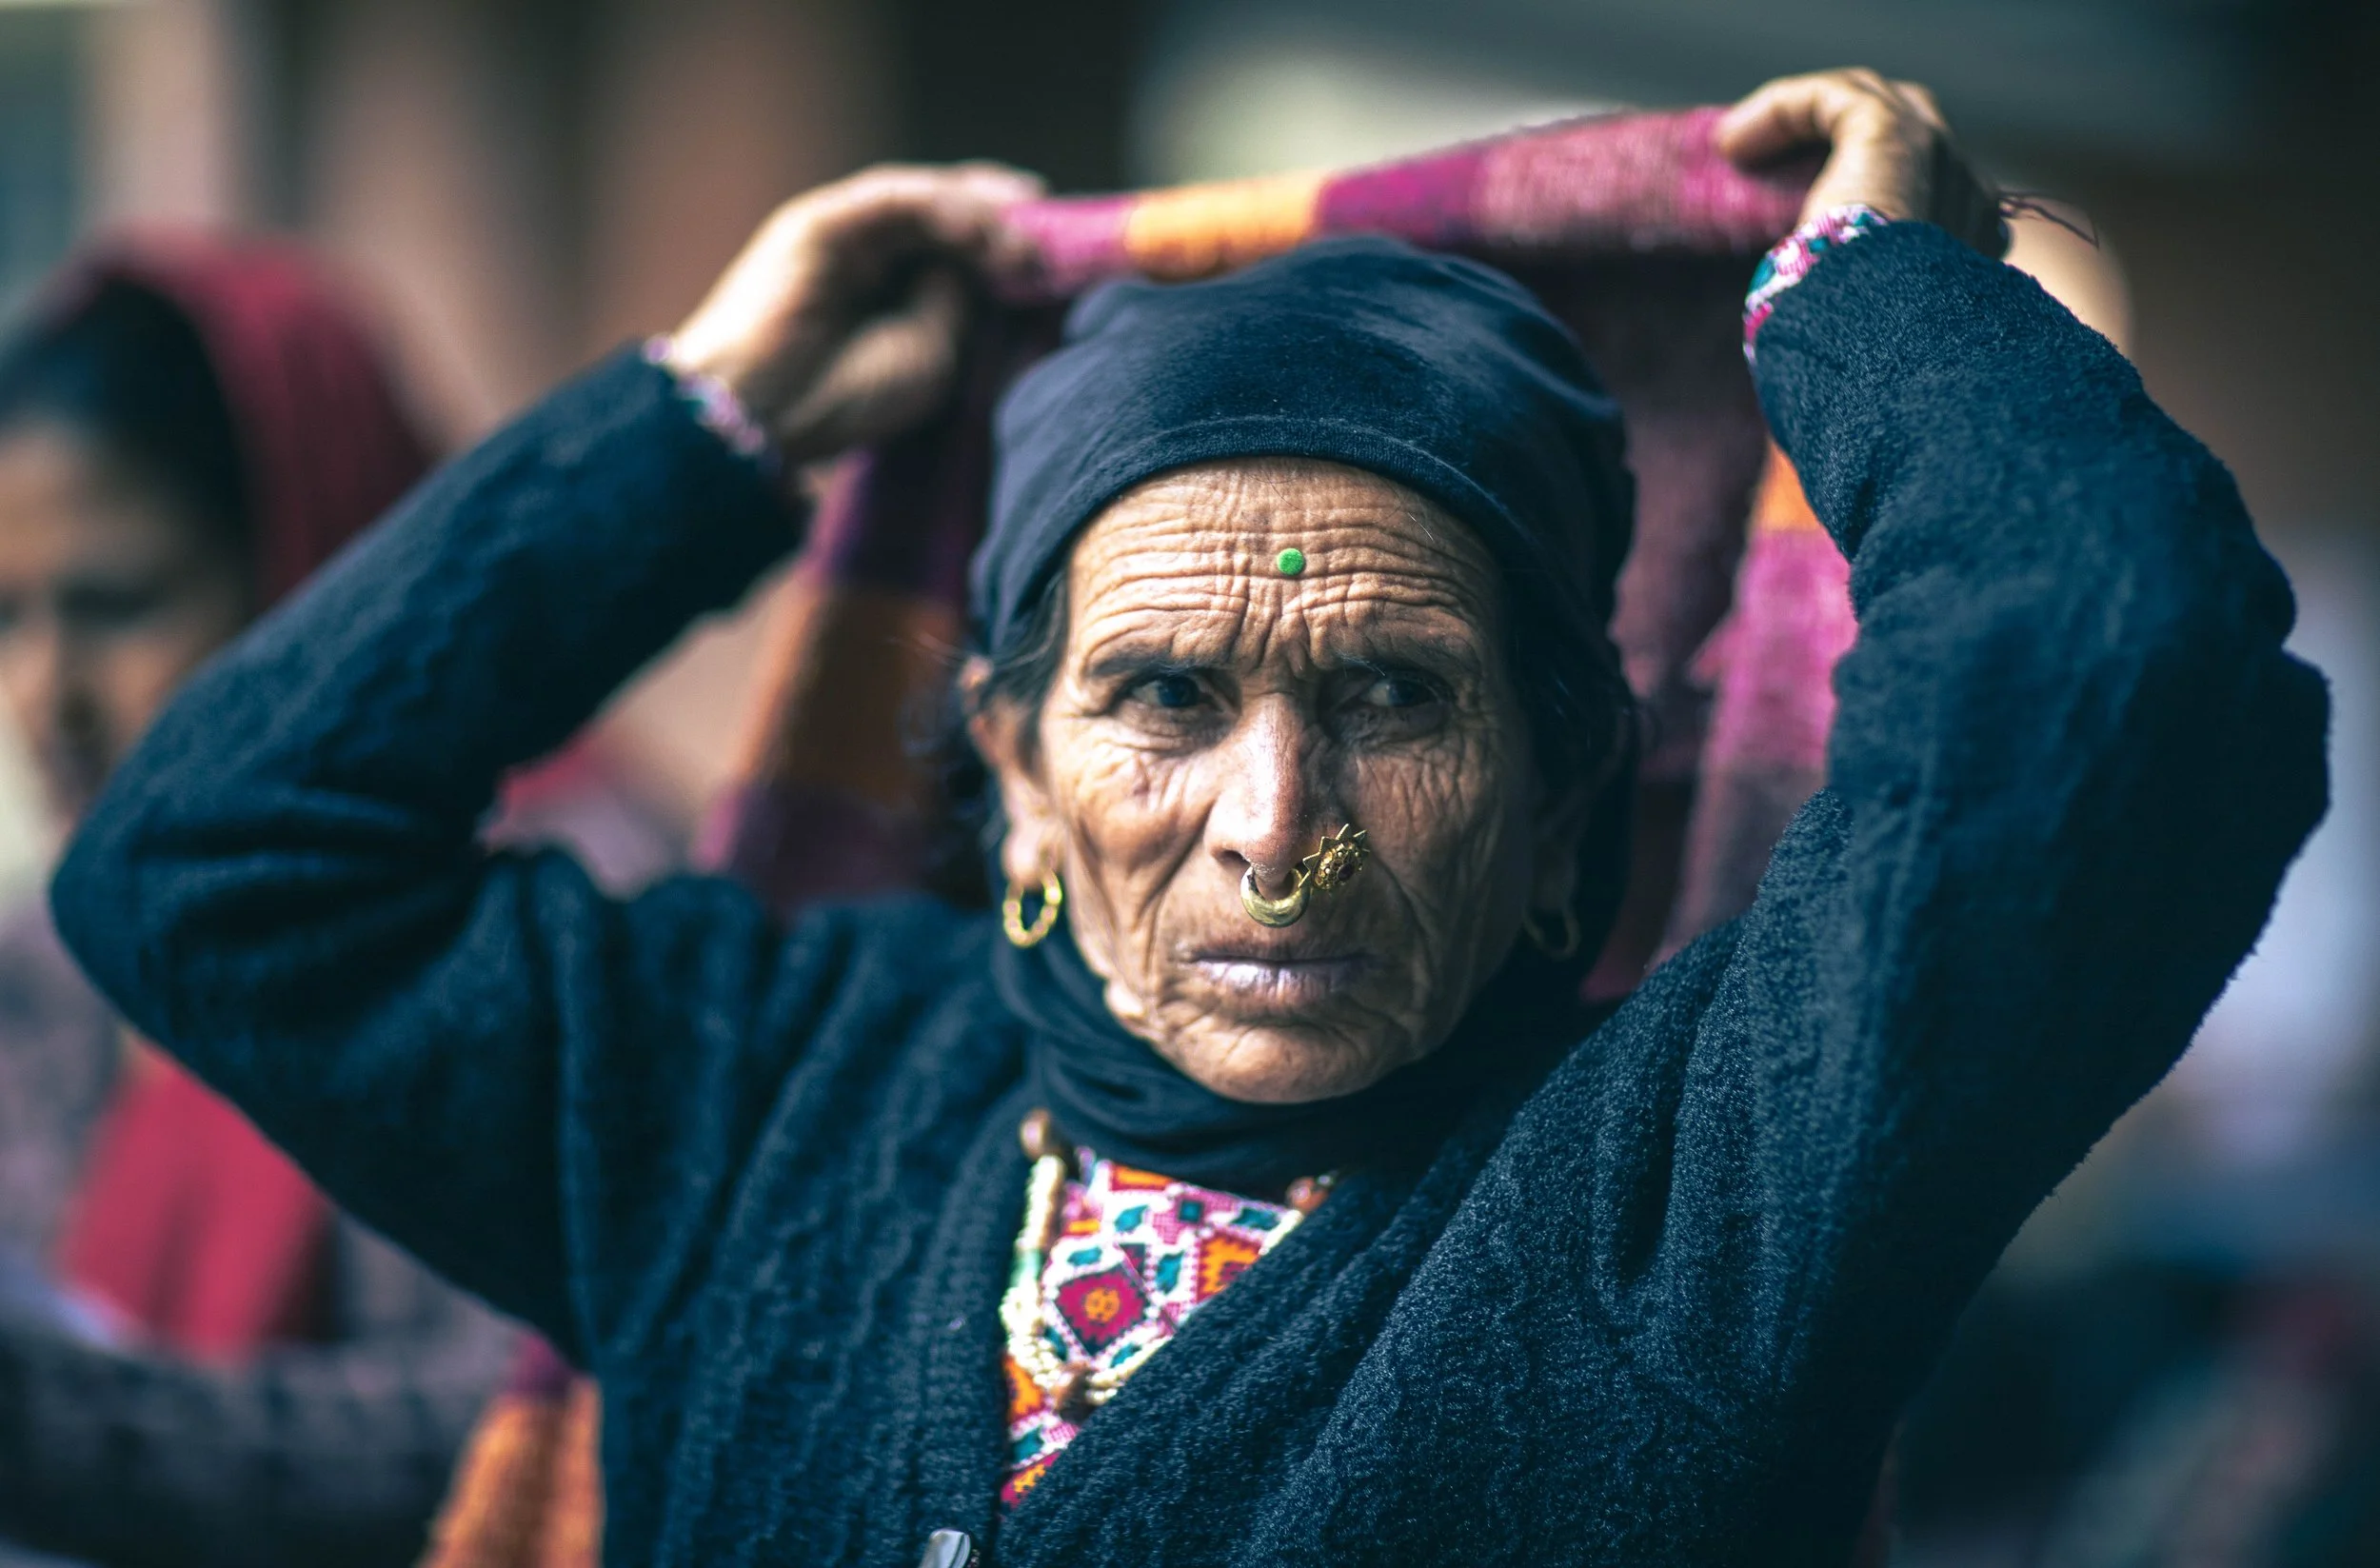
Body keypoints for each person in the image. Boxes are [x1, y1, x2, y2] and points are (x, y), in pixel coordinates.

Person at [47, 68, 2327, 1567]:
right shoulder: (760, 1087)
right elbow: (210, 865)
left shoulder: (1694, 1184)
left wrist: (1873, 302)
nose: (1274, 828)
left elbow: (2111, 680)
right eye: (1158, 694)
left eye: (1396, 700)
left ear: (1556, 812)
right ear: (1014, 767)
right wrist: (708, 421)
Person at [0, 237, 516, 1567]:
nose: (44, 696)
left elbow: (518, 1422)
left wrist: (55, 1424)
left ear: (314, 577)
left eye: (115, 605)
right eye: (6, 617)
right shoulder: (47, 968)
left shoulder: (536, 936)